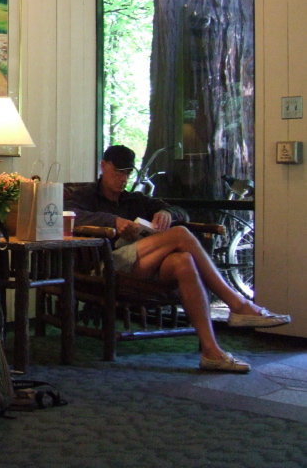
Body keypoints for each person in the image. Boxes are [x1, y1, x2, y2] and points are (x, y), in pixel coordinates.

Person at [66, 145, 291, 374]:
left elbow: (180, 211)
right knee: (181, 234)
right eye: (117, 172)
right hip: (106, 264)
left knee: (183, 261)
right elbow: (70, 215)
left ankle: (211, 352)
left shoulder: (134, 199)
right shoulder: (86, 194)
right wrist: (112, 221)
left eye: (127, 173)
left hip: (141, 265)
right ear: (103, 166)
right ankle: (238, 304)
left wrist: (167, 213)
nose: (122, 179)